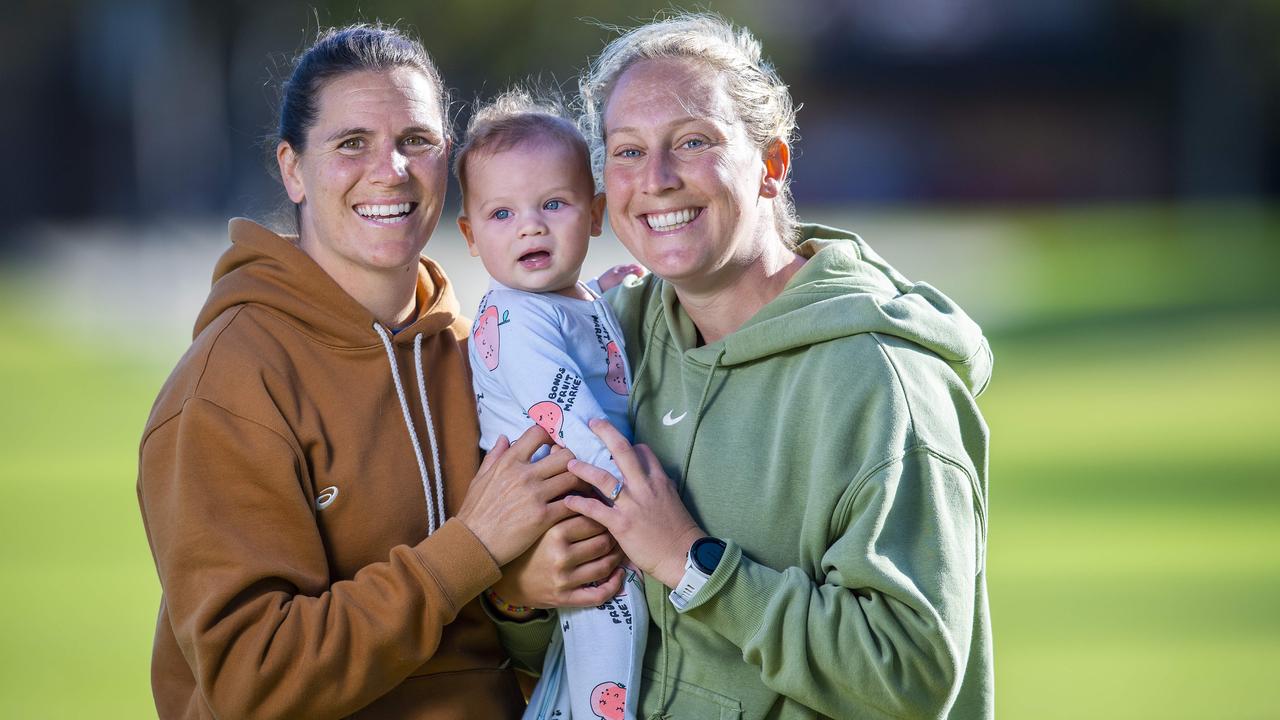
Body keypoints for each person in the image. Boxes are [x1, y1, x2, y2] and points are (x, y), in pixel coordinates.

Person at [496, 13, 994, 719]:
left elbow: (908, 676)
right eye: (628, 152)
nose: (657, 180)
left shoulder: (882, 381)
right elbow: (574, 649)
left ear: (772, 165)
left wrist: (692, 564)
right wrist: (523, 592)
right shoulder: (615, 342)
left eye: (692, 142)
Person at [136, 25, 598, 719]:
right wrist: (467, 551)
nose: (392, 170)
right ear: (292, 168)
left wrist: (517, 591)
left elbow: (516, 625)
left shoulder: (479, 351)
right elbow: (251, 680)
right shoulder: (228, 387)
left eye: (416, 140)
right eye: (352, 143)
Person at [454, 90, 648, 720]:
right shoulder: (512, 316)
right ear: (472, 236)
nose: (530, 226)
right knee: (611, 620)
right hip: (567, 508)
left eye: (553, 204)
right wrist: (633, 491)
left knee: (574, 663)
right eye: (502, 213)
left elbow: (590, 341)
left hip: (579, 498)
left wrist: (611, 296)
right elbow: (560, 413)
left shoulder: (568, 300)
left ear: (594, 214)